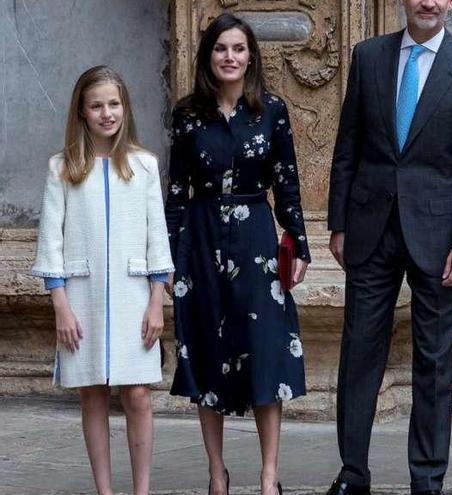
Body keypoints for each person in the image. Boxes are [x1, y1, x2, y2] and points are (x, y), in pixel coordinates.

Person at [325, 0, 452, 493]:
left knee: (434, 360)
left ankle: (427, 480)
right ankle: (352, 474)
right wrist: (338, 222)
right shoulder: (369, 56)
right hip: (370, 228)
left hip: (439, 238)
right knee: (359, 352)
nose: (429, 2)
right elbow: (347, 145)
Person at [164, 13, 310, 495]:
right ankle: (216, 475)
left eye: (239, 49)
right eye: (221, 49)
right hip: (201, 240)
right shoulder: (187, 114)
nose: (230, 57)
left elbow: (287, 181)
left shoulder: (271, 109)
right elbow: (176, 191)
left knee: (265, 350)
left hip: (256, 241)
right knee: (206, 350)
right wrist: (169, 255)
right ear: (209, 56)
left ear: (251, 56)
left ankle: (270, 475)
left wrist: (299, 244)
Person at [30, 65, 173, 495]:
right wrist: (61, 307)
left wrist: (156, 301)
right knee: (91, 395)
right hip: (82, 298)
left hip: (134, 299)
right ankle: (104, 491)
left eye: (114, 104)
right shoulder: (62, 169)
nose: (107, 113)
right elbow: (49, 242)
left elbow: (157, 238)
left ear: (124, 108)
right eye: (97, 105)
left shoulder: (144, 166)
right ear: (82, 111)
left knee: (138, 396)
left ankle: (141, 490)